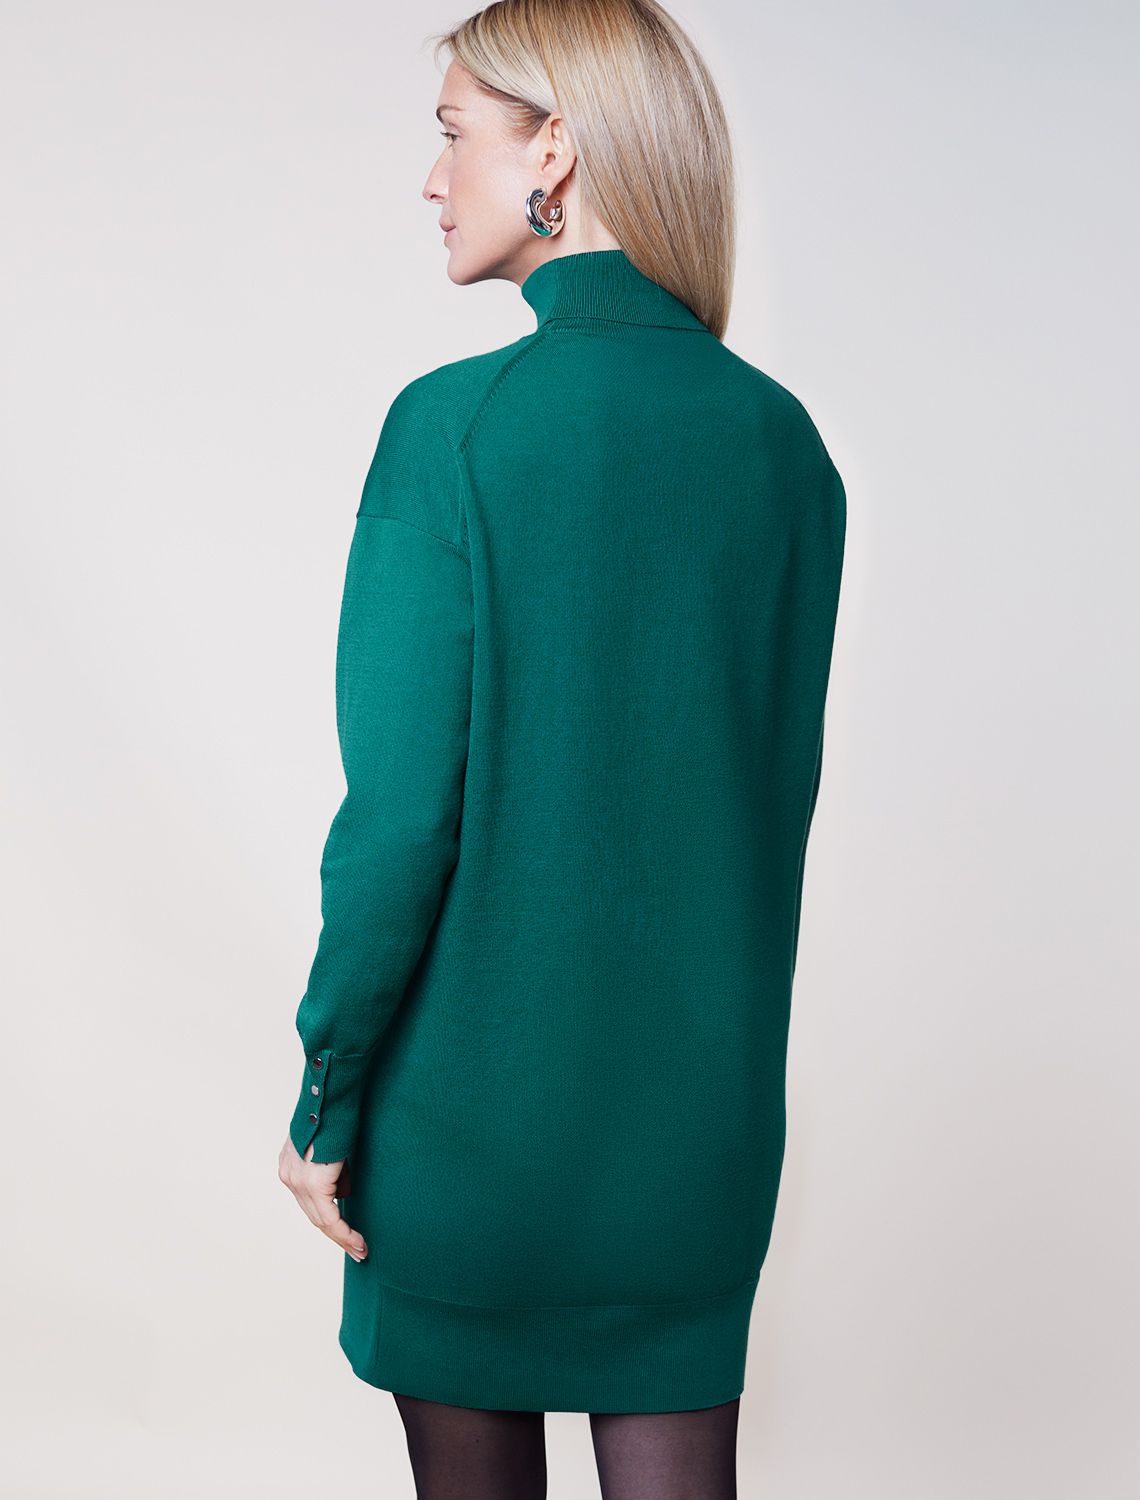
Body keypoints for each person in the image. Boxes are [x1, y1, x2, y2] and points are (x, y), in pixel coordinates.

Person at [277, 2, 846, 1495]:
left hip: (473, 1131)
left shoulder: (456, 429)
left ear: (557, 151)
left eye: (453, 133)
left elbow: (400, 820)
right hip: (700, 1137)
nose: (431, 177)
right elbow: (763, 810)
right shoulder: (783, 446)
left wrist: (327, 1094)